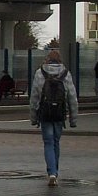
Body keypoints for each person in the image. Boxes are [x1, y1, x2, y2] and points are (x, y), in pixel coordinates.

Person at [30, 49, 79, 186]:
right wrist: (73, 119)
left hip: (45, 113)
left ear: (47, 59)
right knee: (56, 142)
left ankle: (51, 172)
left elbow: (34, 98)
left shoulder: (40, 73)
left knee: (48, 142)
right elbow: (72, 98)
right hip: (59, 113)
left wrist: (33, 117)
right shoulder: (65, 74)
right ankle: (55, 172)